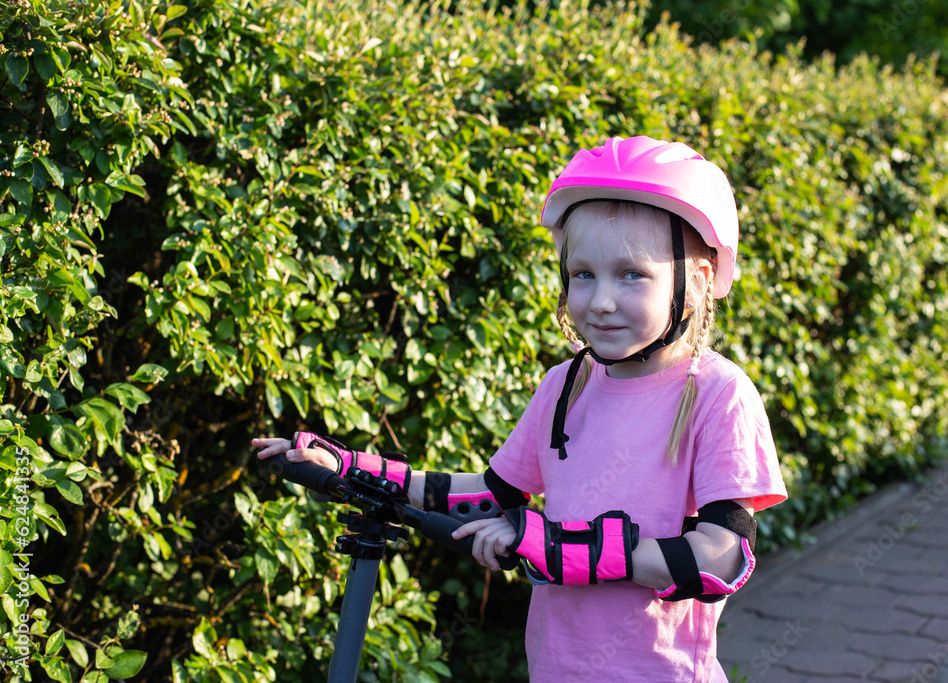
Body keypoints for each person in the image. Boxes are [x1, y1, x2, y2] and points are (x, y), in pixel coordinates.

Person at [254, 135, 787, 681]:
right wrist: (351, 468)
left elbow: (721, 558)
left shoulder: (718, 393)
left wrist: (558, 547)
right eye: (583, 274)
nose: (599, 300)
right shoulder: (565, 385)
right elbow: (491, 495)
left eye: (632, 274)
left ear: (696, 284)